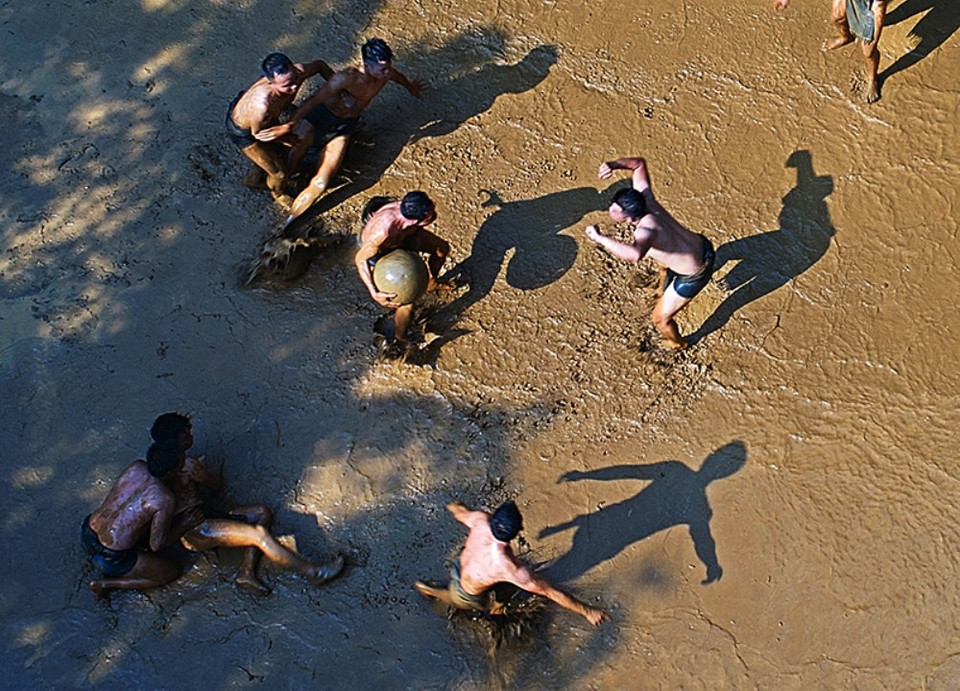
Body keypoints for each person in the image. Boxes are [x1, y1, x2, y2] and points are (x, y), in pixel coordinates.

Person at [150, 413, 344, 594]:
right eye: (186, 435)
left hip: (206, 513)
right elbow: (157, 529)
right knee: (258, 535)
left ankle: (246, 573)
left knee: (262, 513)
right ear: (173, 442)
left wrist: (204, 477)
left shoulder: (185, 463)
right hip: (197, 530)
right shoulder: (165, 471)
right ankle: (313, 573)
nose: (191, 437)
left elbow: (216, 485)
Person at [255, 38, 426, 230]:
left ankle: (286, 226)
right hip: (320, 115)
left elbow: (399, 77)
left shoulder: (387, 74)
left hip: (345, 125)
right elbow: (312, 101)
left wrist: (412, 87)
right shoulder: (345, 78)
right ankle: (277, 183)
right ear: (367, 65)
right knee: (294, 155)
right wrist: (289, 125)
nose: (387, 72)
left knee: (322, 181)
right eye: (383, 69)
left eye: (388, 67)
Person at [584, 156, 715, 350]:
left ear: (629, 219)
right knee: (661, 258)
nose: (610, 207)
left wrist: (600, 238)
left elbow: (635, 254)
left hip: (694, 274)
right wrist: (612, 165)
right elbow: (638, 164)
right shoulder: (646, 198)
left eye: (614, 208)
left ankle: (679, 343)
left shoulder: (645, 231)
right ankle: (663, 283)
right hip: (703, 245)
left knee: (660, 319)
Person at [414, 500, 609, 626]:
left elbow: (460, 512)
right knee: (456, 598)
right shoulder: (512, 569)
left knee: (506, 586)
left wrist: (453, 505)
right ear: (518, 531)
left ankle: (497, 607)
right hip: (467, 593)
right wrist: (587, 611)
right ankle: (430, 590)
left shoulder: (481, 520)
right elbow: (550, 591)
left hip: (461, 565)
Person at [81, 441, 206, 597]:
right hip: (112, 558)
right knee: (171, 571)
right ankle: (107, 584)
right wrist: (184, 525)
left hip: (88, 532)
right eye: (182, 463)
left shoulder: (137, 467)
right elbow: (156, 545)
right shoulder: (164, 498)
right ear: (172, 472)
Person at [227, 52, 334, 205]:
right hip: (245, 130)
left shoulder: (299, 71)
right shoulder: (262, 106)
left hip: (267, 117)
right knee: (279, 173)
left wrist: (340, 86)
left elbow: (320, 65)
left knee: (274, 154)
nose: (295, 86)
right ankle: (278, 194)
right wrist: (286, 138)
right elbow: (258, 135)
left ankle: (254, 177)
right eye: (287, 85)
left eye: (295, 78)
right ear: (271, 83)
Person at [354, 191, 450, 345]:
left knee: (441, 249)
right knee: (408, 297)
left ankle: (432, 281)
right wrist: (374, 292)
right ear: (418, 219)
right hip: (381, 252)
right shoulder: (382, 232)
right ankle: (400, 338)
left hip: (406, 237)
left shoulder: (409, 209)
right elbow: (360, 259)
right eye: (431, 211)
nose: (435, 212)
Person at [773, 0, 886, 103]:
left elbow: (879, 5)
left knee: (868, 50)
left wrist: (873, 29)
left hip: (874, 4)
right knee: (837, 17)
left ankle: (873, 78)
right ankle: (845, 37)